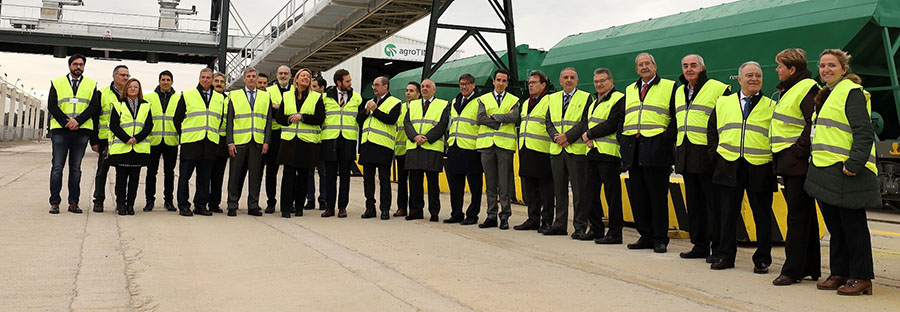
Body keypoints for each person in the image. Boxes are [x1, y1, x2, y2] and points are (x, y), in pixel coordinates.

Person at [805, 49, 878, 296]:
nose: (826, 69)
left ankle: (861, 277)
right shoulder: (827, 94)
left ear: (844, 69)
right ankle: (840, 273)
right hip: (825, 168)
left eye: (832, 65)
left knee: (853, 226)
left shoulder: (851, 92)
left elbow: (863, 131)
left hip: (845, 169)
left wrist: (854, 163)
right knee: (836, 227)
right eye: (822, 65)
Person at [707, 61, 775, 273]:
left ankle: (762, 259)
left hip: (760, 166)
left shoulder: (772, 106)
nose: (754, 78)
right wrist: (717, 158)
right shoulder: (723, 102)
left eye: (757, 75)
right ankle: (725, 256)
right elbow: (711, 132)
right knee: (727, 215)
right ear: (739, 79)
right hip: (728, 165)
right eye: (749, 75)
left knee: (762, 216)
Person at [770, 48, 822, 286]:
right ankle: (809, 266)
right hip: (791, 162)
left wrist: (797, 151)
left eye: (779, 66)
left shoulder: (806, 88)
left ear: (792, 69)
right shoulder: (791, 89)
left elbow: (813, 124)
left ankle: (791, 270)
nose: (776, 70)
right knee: (805, 216)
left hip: (797, 162)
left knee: (797, 218)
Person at [674, 54, 731, 260]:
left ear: (703, 67)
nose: (689, 69)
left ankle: (717, 248)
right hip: (687, 153)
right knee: (694, 204)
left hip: (707, 154)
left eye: (693, 65)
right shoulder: (680, 91)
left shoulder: (718, 88)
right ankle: (699, 245)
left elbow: (725, 119)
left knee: (713, 205)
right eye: (685, 66)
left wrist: (716, 151)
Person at [619, 53, 677, 253]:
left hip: (656, 150)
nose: (644, 67)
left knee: (658, 197)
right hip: (634, 151)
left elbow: (676, 118)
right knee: (639, 197)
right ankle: (645, 235)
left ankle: (660, 238)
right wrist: (623, 139)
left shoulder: (669, 87)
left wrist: (664, 141)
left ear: (655, 65)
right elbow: (624, 117)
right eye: (640, 65)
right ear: (636, 69)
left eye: (647, 63)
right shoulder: (630, 89)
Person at [543, 68, 593, 237]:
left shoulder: (586, 97)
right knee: (559, 190)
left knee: (579, 191)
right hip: (557, 150)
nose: (569, 80)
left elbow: (585, 121)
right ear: (560, 80)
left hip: (576, 150)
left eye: (572, 77)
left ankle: (580, 225)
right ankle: (560, 225)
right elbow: (548, 121)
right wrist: (556, 137)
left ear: (577, 80)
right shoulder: (552, 98)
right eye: (566, 77)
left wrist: (568, 137)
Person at [47, 54, 100, 214]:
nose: (78, 67)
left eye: (81, 65)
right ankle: (55, 202)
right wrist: (66, 122)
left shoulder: (91, 84)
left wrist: (78, 121)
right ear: (69, 66)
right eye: (75, 64)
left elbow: (94, 107)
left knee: (76, 168)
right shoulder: (57, 83)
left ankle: (73, 203)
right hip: (60, 131)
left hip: (81, 131)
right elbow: (52, 105)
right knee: (57, 167)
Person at [173, 68, 226, 217]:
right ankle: (183, 205)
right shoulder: (188, 95)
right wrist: (185, 134)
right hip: (191, 142)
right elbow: (177, 119)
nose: (206, 80)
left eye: (208, 77)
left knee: (204, 177)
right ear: (199, 78)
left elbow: (219, 119)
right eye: (203, 77)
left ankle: (201, 205)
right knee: (185, 176)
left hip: (209, 143)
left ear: (212, 79)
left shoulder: (219, 98)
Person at [274, 68, 325, 218]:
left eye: (308, 76)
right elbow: (279, 117)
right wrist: (290, 118)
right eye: (303, 76)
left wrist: (302, 117)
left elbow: (320, 118)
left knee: (303, 175)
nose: (306, 78)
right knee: (288, 175)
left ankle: (299, 207)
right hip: (289, 142)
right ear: (296, 79)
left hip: (307, 143)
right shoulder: (287, 95)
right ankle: (285, 208)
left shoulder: (316, 97)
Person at [582, 68, 625, 243]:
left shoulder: (619, 99)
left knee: (612, 196)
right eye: (597, 81)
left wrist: (589, 135)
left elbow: (612, 123)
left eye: (603, 81)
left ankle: (615, 233)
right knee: (590, 194)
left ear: (611, 81)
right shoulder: (594, 102)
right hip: (592, 152)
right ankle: (596, 229)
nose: (599, 84)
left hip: (609, 154)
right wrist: (587, 137)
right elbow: (587, 122)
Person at [225, 67, 272, 217]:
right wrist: (230, 142)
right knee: (235, 175)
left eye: (254, 76)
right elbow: (229, 121)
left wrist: (267, 141)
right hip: (239, 142)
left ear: (257, 79)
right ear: (244, 79)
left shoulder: (265, 97)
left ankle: (253, 204)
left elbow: (269, 121)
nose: (251, 79)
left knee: (255, 175)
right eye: (249, 76)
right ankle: (232, 204)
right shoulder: (234, 95)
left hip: (257, 142)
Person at [476, 69, 520, 230]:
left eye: (504, 81)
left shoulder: (513, 100)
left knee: (504, 184)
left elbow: (515, 117)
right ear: (493, 81)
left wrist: (493, 117)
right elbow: (480, 118)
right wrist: (502, 120)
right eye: (498, 80)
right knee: (490, 183)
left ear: (507, 83)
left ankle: (505, 216)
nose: (501, 83)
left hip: (505, 147)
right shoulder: (483, 99)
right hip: (487, 145)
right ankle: (491, 215)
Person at [404, 79, 449, 221]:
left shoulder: (443, 104)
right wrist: (415, 137)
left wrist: (427, 138)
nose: (424, 89)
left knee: (432, 183)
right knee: (415, 182)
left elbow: (442, 124)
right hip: (414, 147)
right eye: (422, 86)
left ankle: (434, 212)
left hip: (432, 148)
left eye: (427, 86)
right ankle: (416, 210)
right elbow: (407, 123)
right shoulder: (413, 105)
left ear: (434, 90)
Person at [514, 71, 554, 232]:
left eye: (534, 82)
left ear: (543, 85)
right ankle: (533, 218)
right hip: (526, 149)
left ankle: (547, 220)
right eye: (529, 82)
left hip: (542, 150)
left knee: (546, 189)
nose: (530, 85)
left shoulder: (549, 101)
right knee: (530, 188)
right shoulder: (525, 103)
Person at [357, 77, 402, 219]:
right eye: (373, 85)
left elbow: (391, 119)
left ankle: (384, 209)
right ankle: (370, 208)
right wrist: (366, 111)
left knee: (384, 179)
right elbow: (358, 120)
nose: (374, 88)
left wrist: (374, 111)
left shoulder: (395, 102)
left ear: (385, 86)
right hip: (368, 145)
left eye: (377, 85)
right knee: (368, 180)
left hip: (383, 146)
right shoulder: (369, 102)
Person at [320, 69, 362, 218]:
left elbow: (361, 118)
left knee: (345, 176)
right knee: (330, 176)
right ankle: (329, 207)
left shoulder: (356, 98)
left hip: (348, 140)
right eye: (347, 81)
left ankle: (342, 207)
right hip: (330, 140)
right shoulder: (325, 98)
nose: (350, 83)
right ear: (339, 83)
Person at [108, 78, 152, 215]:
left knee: (134, 179)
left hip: (138, 147)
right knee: (121, 179)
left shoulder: (146, 105)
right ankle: (121, 204)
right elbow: (113, 125)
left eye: (136, 87)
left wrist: (137, 138)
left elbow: (149, 125)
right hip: (122, 147)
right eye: (130, 87)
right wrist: (126, 138)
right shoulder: (117, 104)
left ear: (139, 90)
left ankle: (130, 205)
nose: (133, 89)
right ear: (126, 89)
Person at [444, 73, 484, 225]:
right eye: (461, 84)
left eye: (467, 84)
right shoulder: (455, 101)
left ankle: (472, 215)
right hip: (455, 147)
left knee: (475, 186)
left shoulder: (480, 101)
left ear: (473, 85)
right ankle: (456, 213)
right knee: (455, 185)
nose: (464, 87)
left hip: (471, 149)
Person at [92, 64, 129, 212]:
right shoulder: (102, 94)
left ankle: (121, 202)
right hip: (105, 140)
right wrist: (93, 140)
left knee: (122, 173)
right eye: (122, 75)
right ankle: (98, 201)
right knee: (102, 171)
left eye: (127, 75)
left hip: (123, 140)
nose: (125, 78)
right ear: (114, 76)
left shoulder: (131, 93)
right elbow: (94, 119)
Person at [143, 70, 180, 212]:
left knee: (169, 173)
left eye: (168, 80)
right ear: (159, 81)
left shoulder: (178, 98)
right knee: (151, 172)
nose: (165, 82)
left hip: (171, 140)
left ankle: (169, 201)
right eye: (163, 79)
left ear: (172, 82)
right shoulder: (149, 97)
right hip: (153, 140)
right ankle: (149, 200)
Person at [263, 65, 292, 214]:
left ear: (290, 76)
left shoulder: (295, 91)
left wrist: (277, 109)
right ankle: (271, 202)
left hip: (290, 135)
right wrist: (283, 111)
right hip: (274, 134)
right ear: (276, 75)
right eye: (280, 73)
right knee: (271, 171)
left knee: (290, 171)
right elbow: (268, 113)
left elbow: (295, 112)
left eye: (285, 73)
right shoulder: (268, 91)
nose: (283, 75)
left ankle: (289, 202)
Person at [393, 81, 420, 217]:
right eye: (407, 90)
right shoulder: (401, 107)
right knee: (402, 182)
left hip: (415, 149)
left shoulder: (421, 107)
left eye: (412, 91)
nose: (408, 93)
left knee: (414, 182)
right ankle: (402, 207)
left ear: (418, 94)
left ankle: (414, 208)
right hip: (401, 149)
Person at [209, 73, 231, 214]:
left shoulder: (229, 100)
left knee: (218, 175)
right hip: (209, 140)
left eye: (222, 81)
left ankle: (214, 203)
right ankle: (203, 201)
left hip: (223, 142)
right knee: (205, 174)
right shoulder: (207, 98)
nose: (219, 83)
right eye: (216, 81)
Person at [307, 75, 328, 211]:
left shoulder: (328, 100)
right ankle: (310, 199)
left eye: (314, 87)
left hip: (324, 140)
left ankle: (323, 199)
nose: (312, 89)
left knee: (323, 173)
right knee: (309, 172)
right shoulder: (308, 100)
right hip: (311, 140)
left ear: (322, 88)